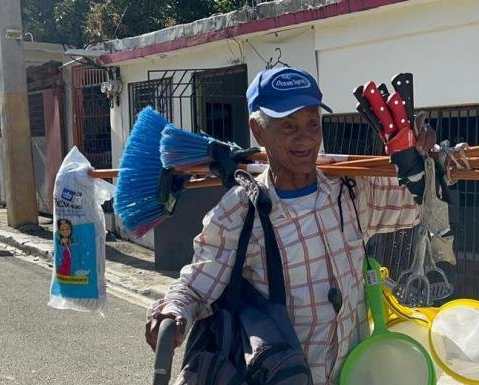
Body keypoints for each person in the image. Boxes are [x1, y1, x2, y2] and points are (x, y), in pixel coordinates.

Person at [144, 67, 436, 385]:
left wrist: (417, 164)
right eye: (288, 126)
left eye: (313, 123)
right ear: (259, 130)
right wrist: (172, 311)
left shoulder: (349, 189)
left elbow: (410, 210)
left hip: (351, 374)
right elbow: (197, 287)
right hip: (284, 376)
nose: (306, 138)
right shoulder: (241, 210)